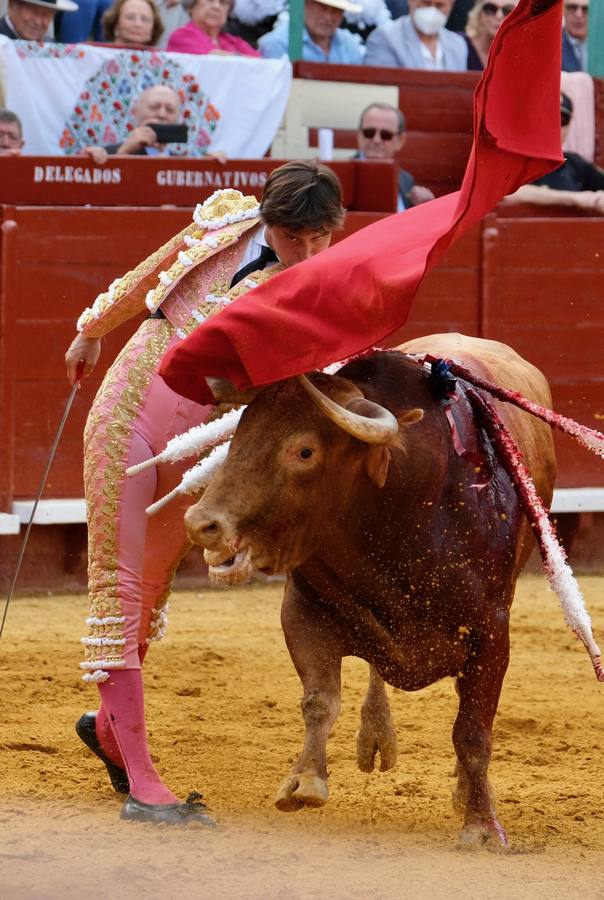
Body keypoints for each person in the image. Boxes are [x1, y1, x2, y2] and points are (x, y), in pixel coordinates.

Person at [64, 161, 345, 826]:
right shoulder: (224, 224)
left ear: (336, 229)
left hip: (202, 455)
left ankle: (110, 731)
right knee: (121, 587)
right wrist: (91, 329)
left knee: (150, 591)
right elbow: (152, 273)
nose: (303, 251)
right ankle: (143, 785)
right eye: (289, 234)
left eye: (318, 237)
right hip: (131, 411)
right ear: (265, 218)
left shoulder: (328, 289)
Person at [504, 92, 604, 213]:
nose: (555, 126)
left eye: (562, 120)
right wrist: (576, 199)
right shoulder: (510, 160)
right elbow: (504, 194)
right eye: (547, 117)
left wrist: (595, 199)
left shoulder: (575, 164)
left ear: (569, 127)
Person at [356, 102, 435, 209]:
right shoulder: (339, 177)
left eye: (386, 135)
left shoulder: (406, 179)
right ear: (359, 134)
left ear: (400, 141)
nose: (376, 140)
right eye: (369, 132)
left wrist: (425, 207)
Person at [364, 0, 469, 69]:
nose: (432, 10)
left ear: (451, 5)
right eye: (426, 3)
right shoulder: (385, 38)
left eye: (440, 5)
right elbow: (382, 91)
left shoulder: (458, 45)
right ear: (411, 1)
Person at [259, 0, 365, 64]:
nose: (328, 17)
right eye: (322, 7)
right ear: (305, 5)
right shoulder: (277, 43)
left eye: (336, 10)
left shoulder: (350, 44)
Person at [166, 0, 260, 55]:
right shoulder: (181, 37)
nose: (216, 6)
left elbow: (260, 64)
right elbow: (212, 60)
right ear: (191, 7)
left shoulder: (233, 41)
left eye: (222, 2)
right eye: (210, 0)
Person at [463, 0, 516, 70]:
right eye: (491, 9)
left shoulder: (519, 53)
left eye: (508, 10)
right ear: (479, 15)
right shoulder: (458, 43)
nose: (499, 16)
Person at [0, 0, 78, 39]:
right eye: (32, 11)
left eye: (46, 15)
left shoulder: (50, 48)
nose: (38, 21)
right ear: (12, 5)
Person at [562, 0, 588, 71]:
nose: (578, 15)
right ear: (563, 11)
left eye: (586, 9)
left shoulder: (600, 46)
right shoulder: (552, 47)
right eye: (573, 7)